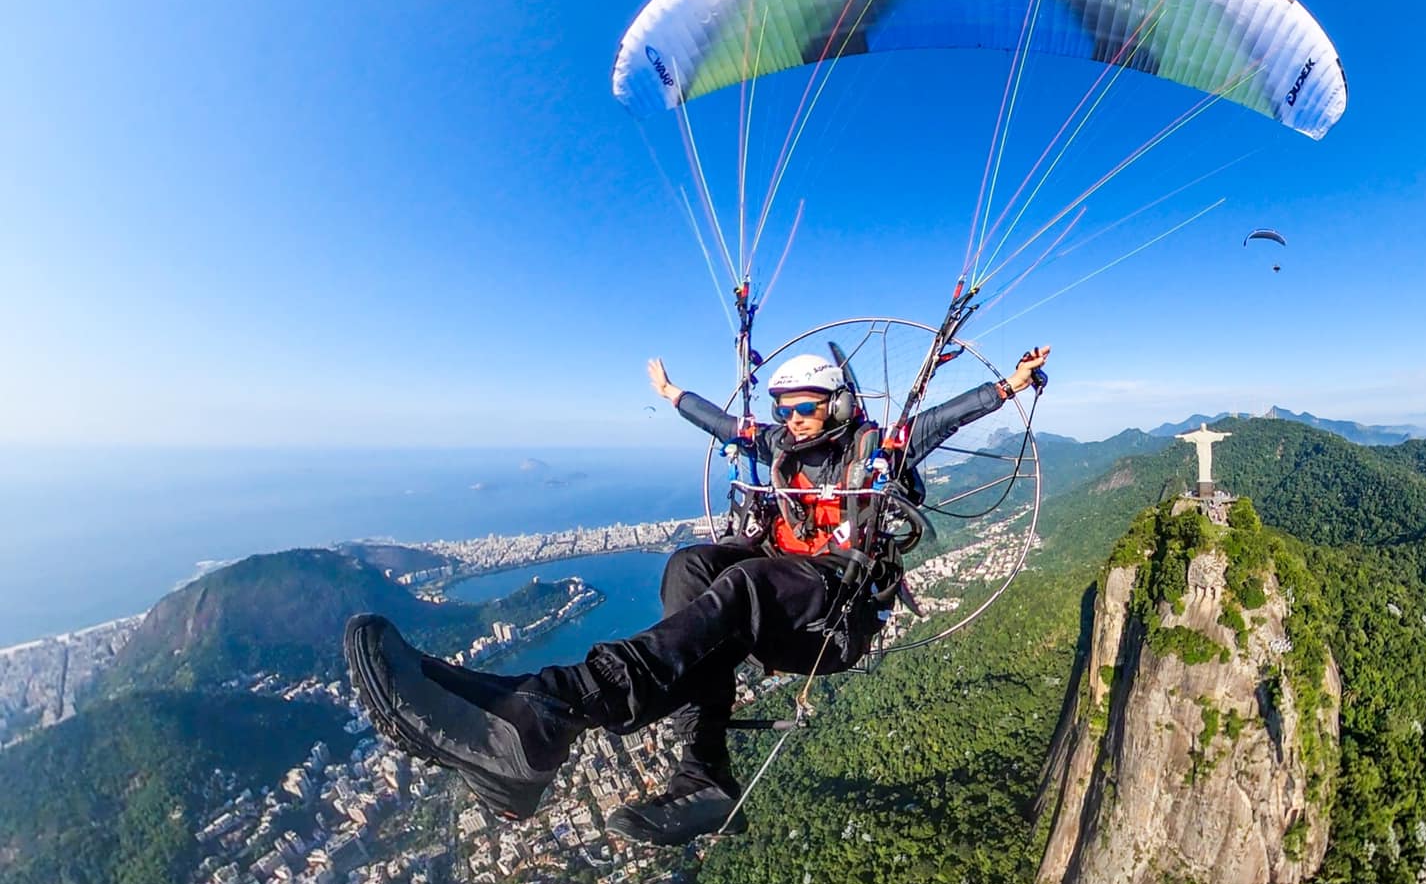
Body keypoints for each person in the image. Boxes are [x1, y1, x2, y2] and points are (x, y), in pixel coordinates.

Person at [343, 345, 1050, 847]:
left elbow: (944, 419)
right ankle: (701, 771)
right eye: (785, 408)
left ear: (836, 404)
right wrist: (674, 395)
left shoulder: (874, 449)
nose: (794, 419)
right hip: (779, 585)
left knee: (741, 585)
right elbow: (725, 426)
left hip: (833, 611)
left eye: (806, 408)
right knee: (689, 567)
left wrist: (1011, 385)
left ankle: (548, 708)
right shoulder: (777, 445)